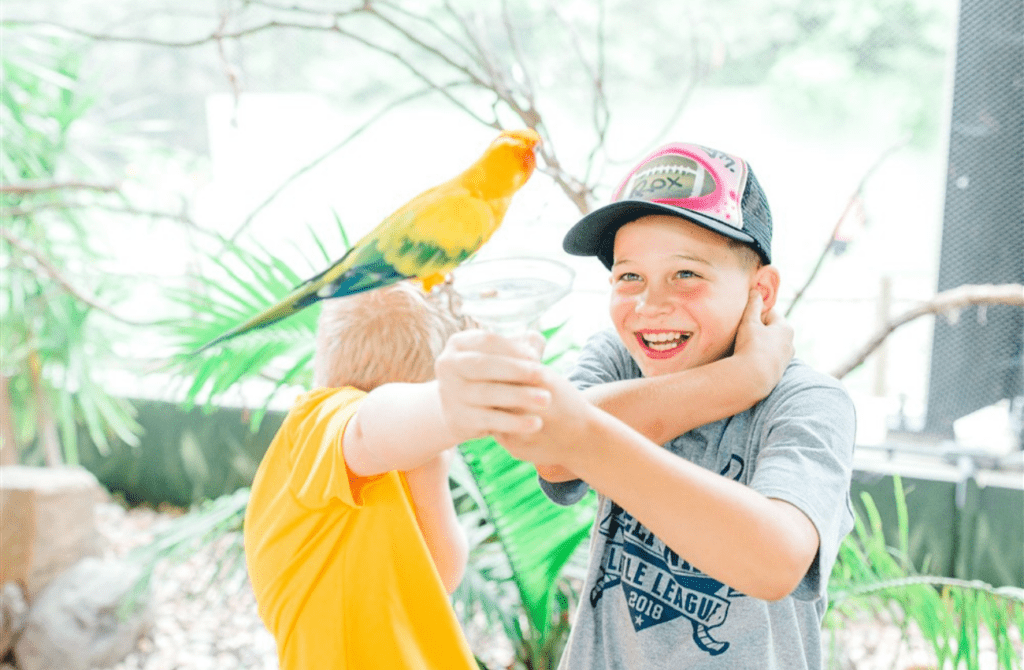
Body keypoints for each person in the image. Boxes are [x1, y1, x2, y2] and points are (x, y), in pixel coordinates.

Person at [434, 142, 856, 668]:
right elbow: (556, 456)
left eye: (686, 274)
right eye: (629, 276)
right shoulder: (619, 358)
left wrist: (751, 385)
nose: (650, 305)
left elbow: (775, 561)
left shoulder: (806, 402)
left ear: (761, 293)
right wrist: (738, 379)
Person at [243, 281, 482, 670]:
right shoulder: (317, 423)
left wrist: (431, 466)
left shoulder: (407, 462)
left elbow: (442, 575)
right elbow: (369, 425)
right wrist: (459, 405)